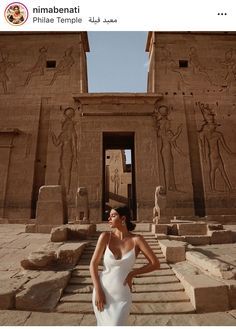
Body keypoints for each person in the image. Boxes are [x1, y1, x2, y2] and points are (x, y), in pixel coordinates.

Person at [90, 205, 160, 326]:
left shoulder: (137, 240)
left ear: (123, 219)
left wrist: (132, 273)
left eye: (113, 215)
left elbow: (155, 263)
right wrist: (98, 290)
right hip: (103, 291)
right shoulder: (105, 237)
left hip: (122, 295)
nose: (109, 218)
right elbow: (93, 264)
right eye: (109, 216)